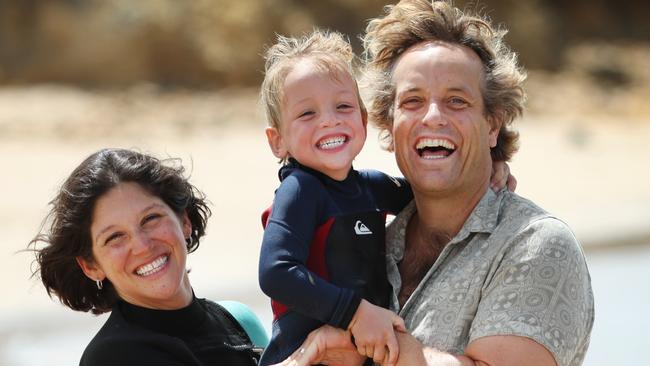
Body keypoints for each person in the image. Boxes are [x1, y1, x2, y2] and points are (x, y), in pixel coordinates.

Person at [276, 1, 594, 366]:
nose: (433, 117)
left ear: (492, 125)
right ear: (388, 125)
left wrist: (377, 350)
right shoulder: (372, 237)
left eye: (456, 101)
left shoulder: (536, 244)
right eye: (413, 101)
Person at [258, 29, 514, 366]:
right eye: (308, 114)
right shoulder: (300, 191)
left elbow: (441, 190)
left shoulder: (372, 187)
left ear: (364, 120)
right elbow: (275, 272)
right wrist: (355, 313)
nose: (330, 121)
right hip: (303, 353)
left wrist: (491, 164)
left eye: (343, 106)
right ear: (278, 141)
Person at [29, 148, 266, 366]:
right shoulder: (111, 357)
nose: (142, 246)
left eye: (151, 219)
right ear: (91, 265)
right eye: (115, 237)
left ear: (184, 221)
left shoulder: (239, 320)